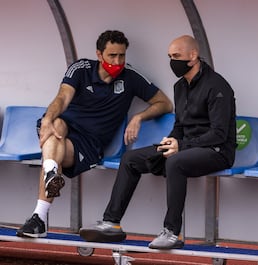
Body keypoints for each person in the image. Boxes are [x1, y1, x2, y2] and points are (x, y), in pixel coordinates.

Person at [79, 35, 236, 249]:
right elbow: (181, 125)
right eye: (170, 56)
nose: (173, 61)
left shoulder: (217, 86)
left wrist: (181, 146)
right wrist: (171, 140)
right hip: (187, 147)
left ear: (193, 55)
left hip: (217, 151)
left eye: (177, 56)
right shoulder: (180, 86)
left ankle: (172, 233)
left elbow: (219, 134)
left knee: (175, 162)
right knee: (130, 158)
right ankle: (111, 224)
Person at [16, 30, 173, 238]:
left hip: (87, 144)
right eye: (112, 56)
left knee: (54, 143)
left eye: (122, 56)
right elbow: (63, 97)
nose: (117, 61)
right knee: (57, 126)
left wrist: (139, 117)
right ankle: (46, 190)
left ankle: (43, 204)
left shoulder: (131, 78)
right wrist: (47, 119)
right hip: (62, 128)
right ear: (99, 55)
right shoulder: (81, 68)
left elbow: (165, 103)